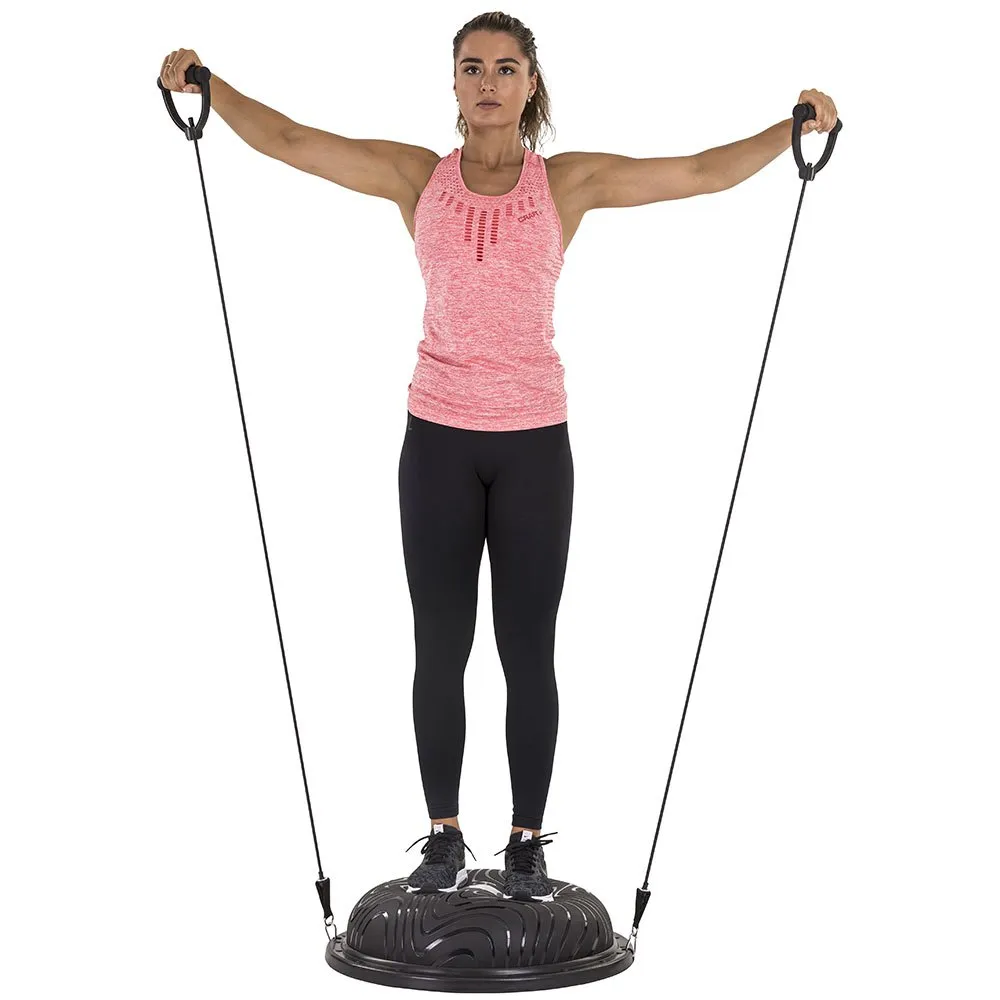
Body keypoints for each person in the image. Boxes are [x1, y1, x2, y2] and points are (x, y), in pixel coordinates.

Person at [159, 13, 838, 903]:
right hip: (437, 441)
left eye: (506, 68)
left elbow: (701, 172)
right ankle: (443, 839)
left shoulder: (568, 183)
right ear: (453, 82)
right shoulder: (418, 177)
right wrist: (210, 89)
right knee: (439, 647)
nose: (488, 82)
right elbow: (292, 142)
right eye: (473, 67)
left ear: (530, 84)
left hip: (534, 449)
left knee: (527, 650)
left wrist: (791, 129)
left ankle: (525, 844)